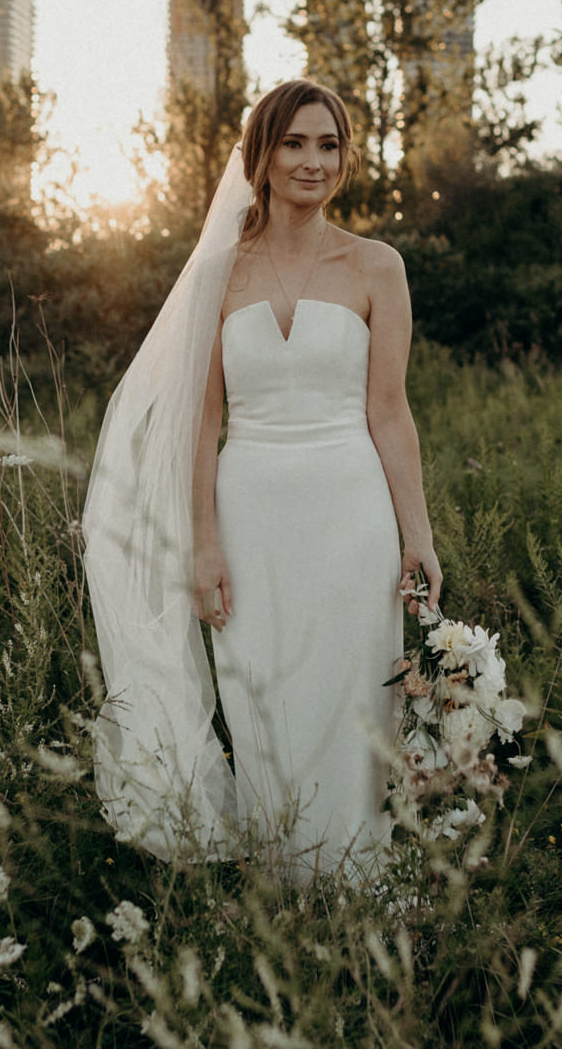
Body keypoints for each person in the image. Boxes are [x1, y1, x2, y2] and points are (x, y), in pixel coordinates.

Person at [82, 78, 443, 883]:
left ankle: (355, 886)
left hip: (352, 517)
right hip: (249, 520)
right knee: (263, 700)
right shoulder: (221, 271)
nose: (313, 162)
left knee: (352, 704)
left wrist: (416, 537)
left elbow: (391, 414)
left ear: (345, 159)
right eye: (294, 143)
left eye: (329, 145)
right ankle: (281, 891)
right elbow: (199, 428)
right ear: (263, 155)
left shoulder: (376, 266)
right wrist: (203, 546)